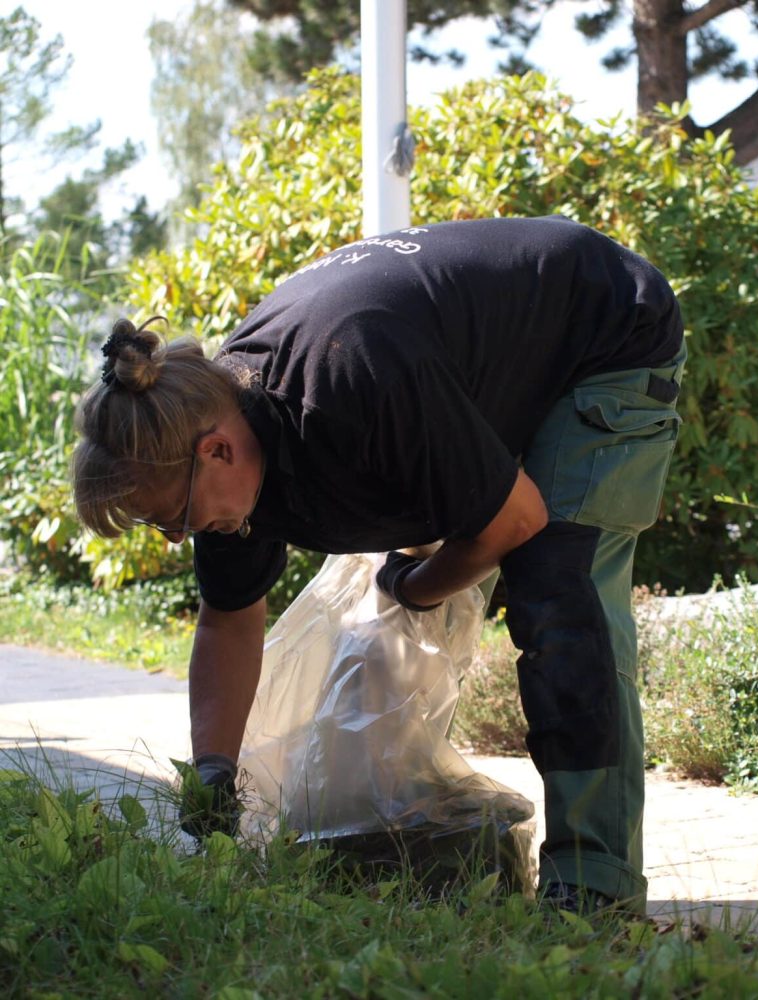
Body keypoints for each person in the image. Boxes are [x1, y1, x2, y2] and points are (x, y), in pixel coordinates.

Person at [73, 215, 686, 915]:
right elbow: (228, 620)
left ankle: (595, 889)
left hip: (603, 327)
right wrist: (213, 770)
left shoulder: (346, 380)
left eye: (175, 517)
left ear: (217, 451)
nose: (178, 537)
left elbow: (515, 521)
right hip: (476, 362)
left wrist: (415, 587)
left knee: (558, 591)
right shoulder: (214, 433)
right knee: (393, 632)